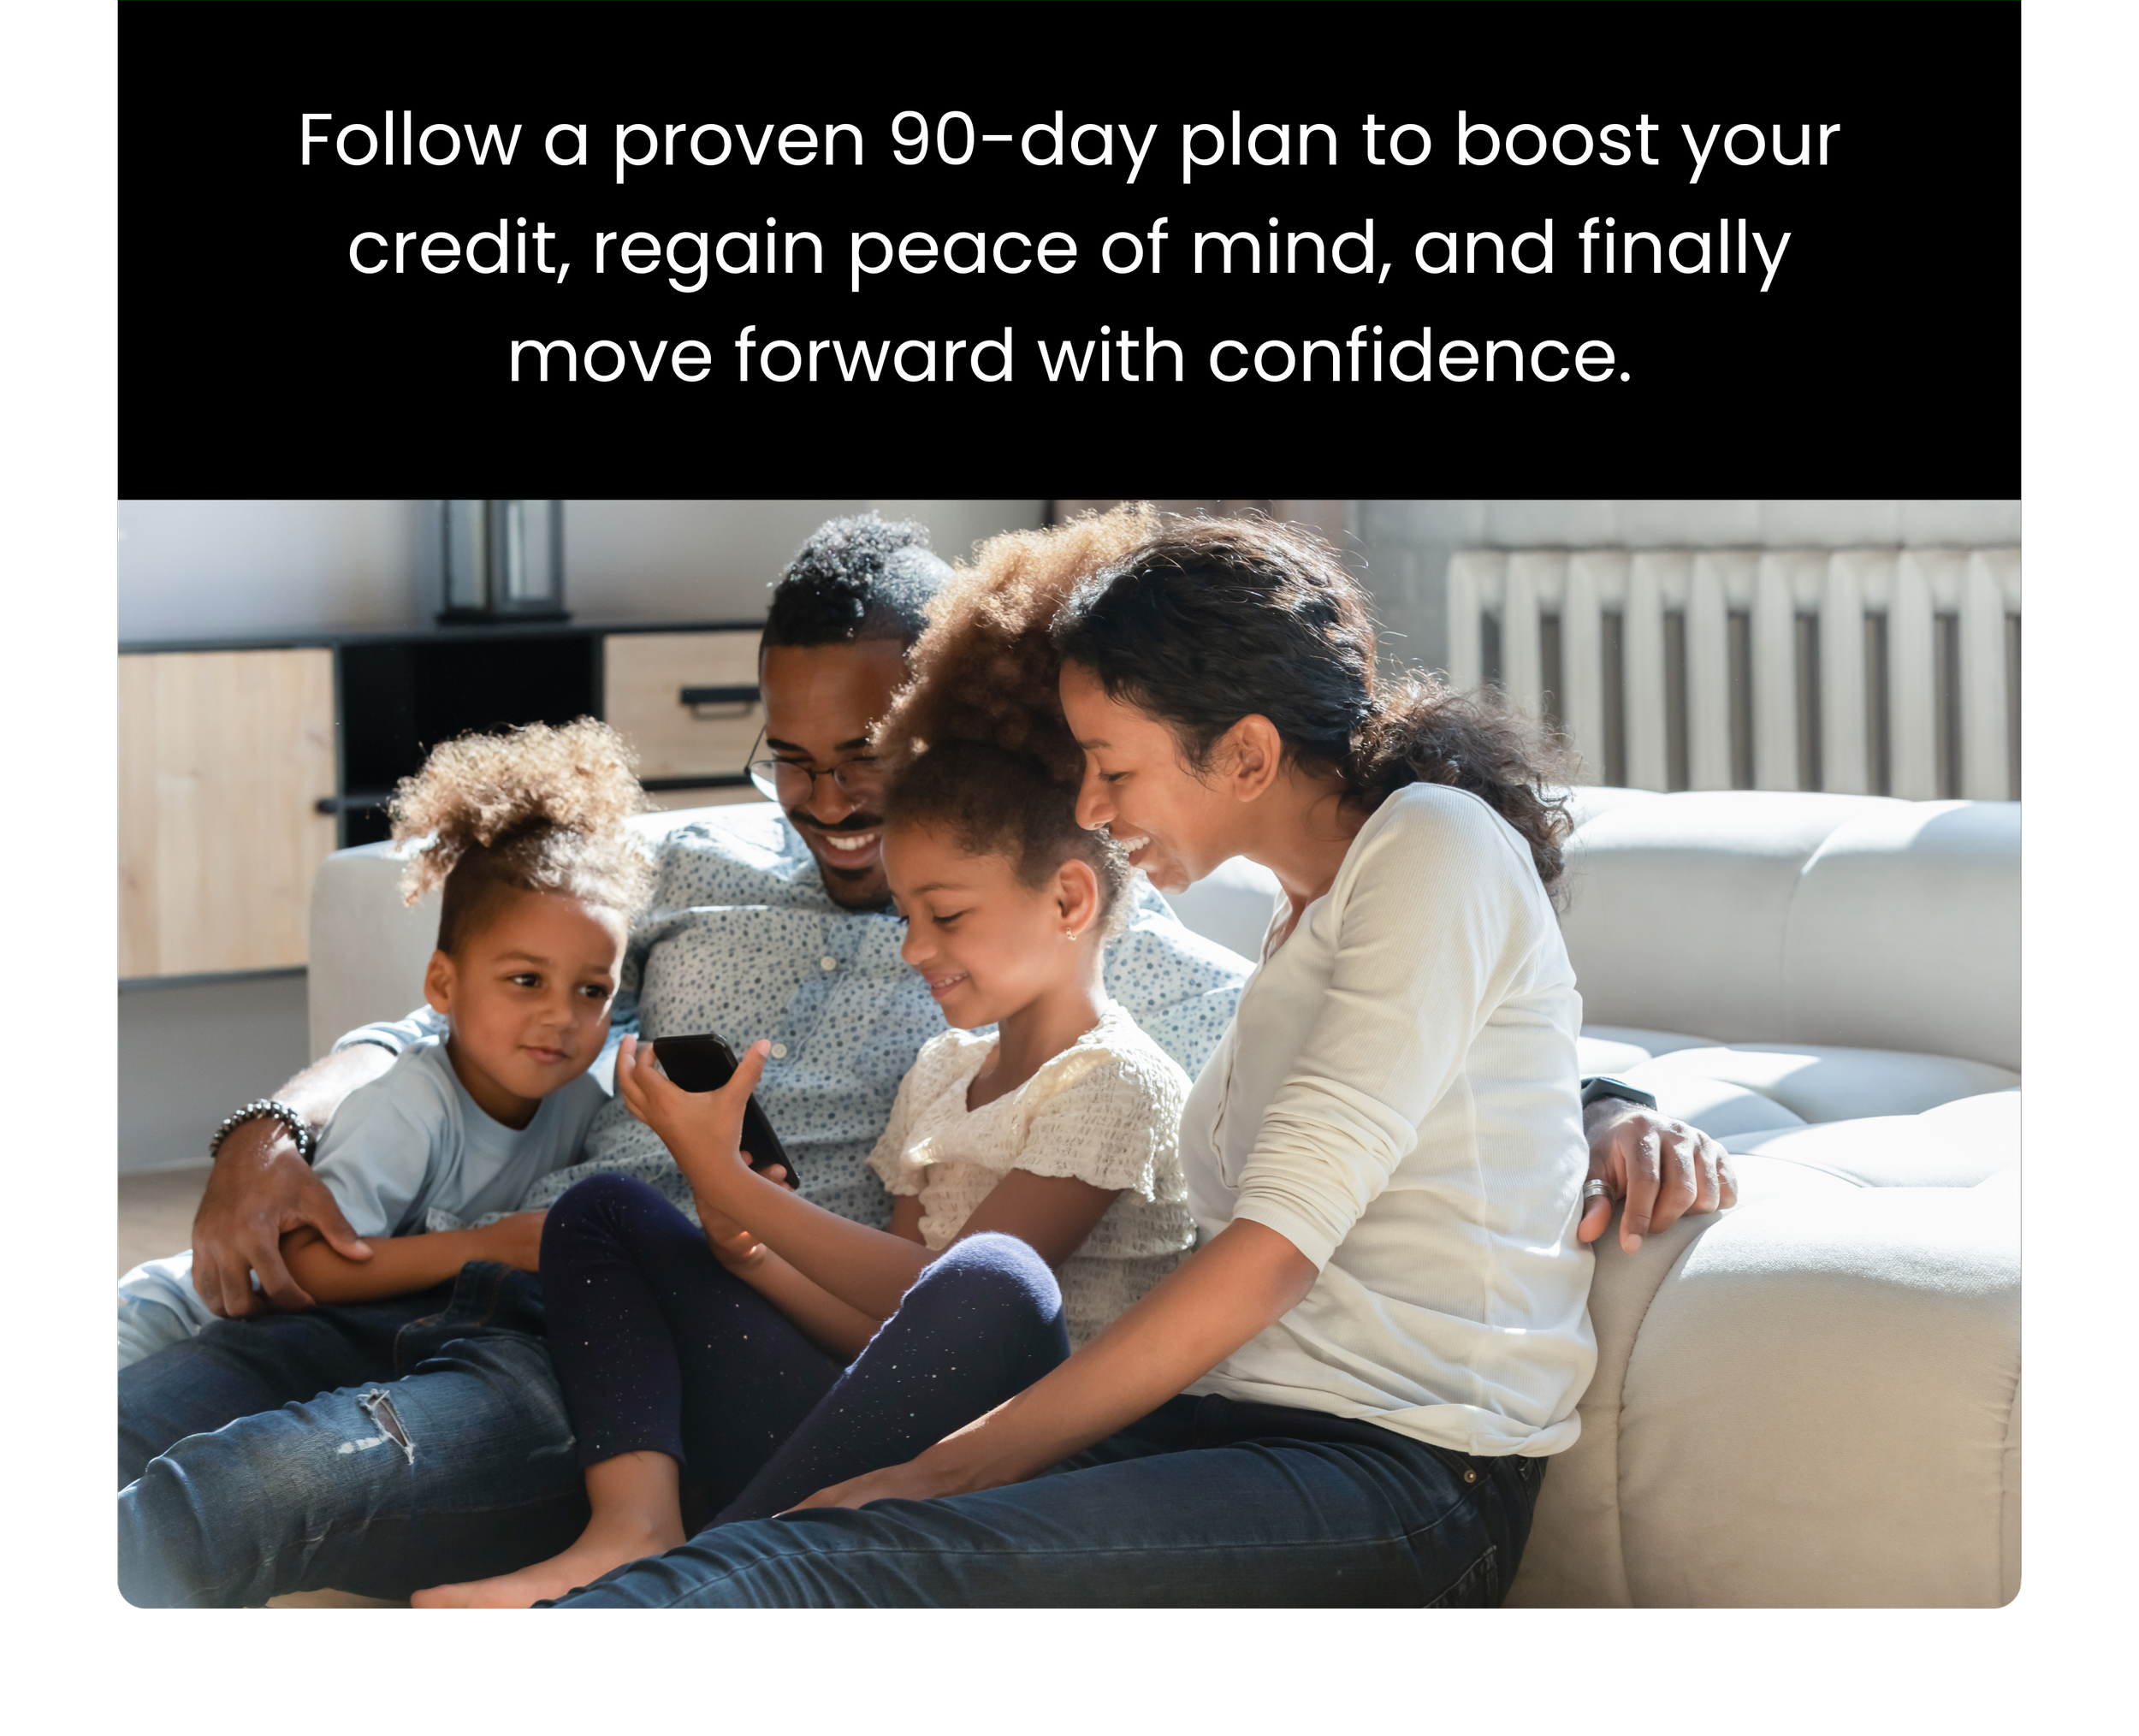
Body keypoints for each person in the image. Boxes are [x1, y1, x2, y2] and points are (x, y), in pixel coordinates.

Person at [118, 510, 1729, 1607]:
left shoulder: (1136, 940)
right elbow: (484, 980)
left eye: (869, 765)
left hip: (690, 1386)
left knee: (255, 1496)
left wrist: (1611, 1102)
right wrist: (279, 1115)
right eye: (791, 758)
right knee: (163, 1378)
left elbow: (1367, 1133)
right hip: (527, 1281)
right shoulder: (696, 876)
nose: (826, 803)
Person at [417, 601, 1194, 1607]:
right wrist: (755, 1257)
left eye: (945, 915)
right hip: (872, 1428)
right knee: (602, 1214)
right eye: (908, 914)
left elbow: (953, 1298)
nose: (915, 948)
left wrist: (728, 1182)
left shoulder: (1116, 1084)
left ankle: (698, 1577)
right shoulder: (943, 1072)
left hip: (1018, 1459)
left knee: (993, 1278)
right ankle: (635, 1534)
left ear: (1070, 901)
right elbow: (882, 1335)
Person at [116, 720, 650, 1372]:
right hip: (175, 1324)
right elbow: (310, 1264)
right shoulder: (408, 1106)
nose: (561, 1016)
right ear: (442, 983)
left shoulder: (579, 1104)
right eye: (525, 980)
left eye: (592, 991)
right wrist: (490, 1245)